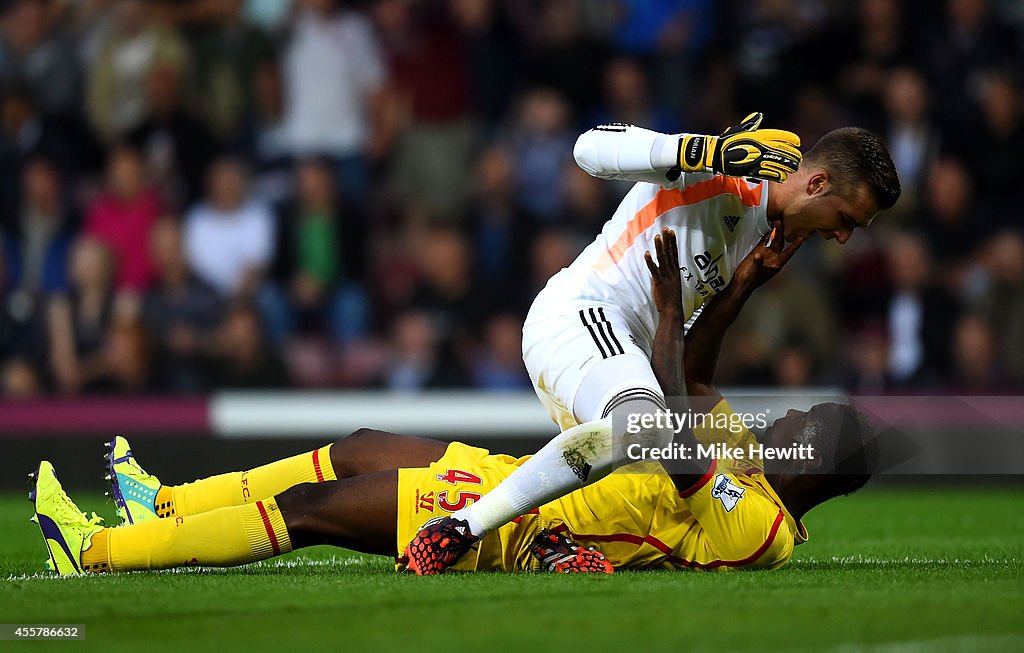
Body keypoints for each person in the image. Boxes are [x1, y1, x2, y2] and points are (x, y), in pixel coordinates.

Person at [31, 229, 876, 576]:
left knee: (317, 509)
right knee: (360, 443)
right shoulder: (749, 452)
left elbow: (670, 428)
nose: (786, 420)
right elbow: (691, 375)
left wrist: (661, 309)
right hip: (526, 479)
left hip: (529, 530)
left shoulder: (763, 531)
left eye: (805, 425)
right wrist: (744, 287)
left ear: (820, 466)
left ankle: (98, 551)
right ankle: (163, 502)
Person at [404, 113, 900, 573]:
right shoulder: (720, 173)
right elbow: (588, 148)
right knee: (646, 426)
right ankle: (460, 528)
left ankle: (562, 546)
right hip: (583, 316)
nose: (842, 237)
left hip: (624, 356)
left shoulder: (759, 233)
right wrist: (699, 150)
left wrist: (744, 286)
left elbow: (693, 372)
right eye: (847, 220)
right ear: (816, 184)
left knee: (651, 483)